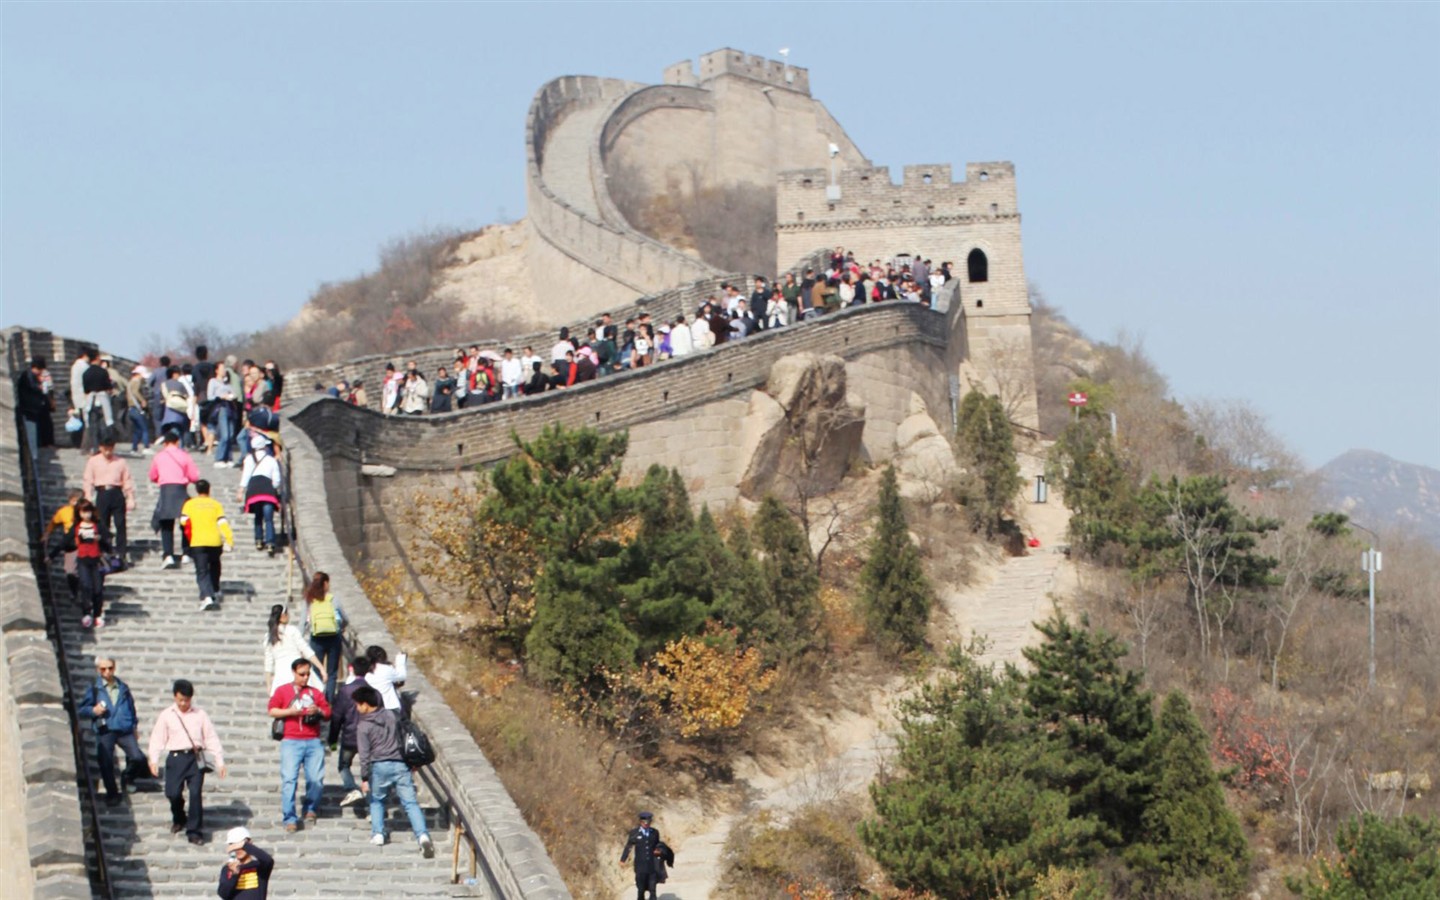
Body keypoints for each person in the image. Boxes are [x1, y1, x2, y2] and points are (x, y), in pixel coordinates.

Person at [352, 685, 434, 855]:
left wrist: (365, 778)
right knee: (410, 803)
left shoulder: (363, 726)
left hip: (379, 766)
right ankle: (423, 836)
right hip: (400, 764)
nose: (357, 708)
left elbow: (364, 755)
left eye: (358, 704)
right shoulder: (392, 715)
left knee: (377, 800)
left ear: (366, 704)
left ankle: (378, 834)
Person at [148, 678, 226, 845]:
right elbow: (157, 738)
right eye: (180, 700)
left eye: (187, 700)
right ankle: (179, 816)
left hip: (195, 758)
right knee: (173, 793)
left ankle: (194, 831)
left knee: (195, 793)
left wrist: (219, 760)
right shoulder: (167, 715)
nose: (183, 703)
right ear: (175, 697)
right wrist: (153, 759)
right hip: (176, 758)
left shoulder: (200, 715)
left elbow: (210, 737)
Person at [267, 659, 331, 833]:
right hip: (291, 740)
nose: (305, 678)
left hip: (312, 740)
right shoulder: (283, 691)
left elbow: (327, 712)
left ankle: (311, 807)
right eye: (302, 674)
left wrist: (317, 710)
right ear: (293, 672)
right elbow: (272, 710)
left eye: (308, 674)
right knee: (289, 780)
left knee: (316, 778)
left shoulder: (315, 692)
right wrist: (291, 712)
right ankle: (289, 817)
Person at [78, 656, 150, 805]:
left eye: (110, 668)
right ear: (98, 670)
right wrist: (93, 710)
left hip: (124, 729)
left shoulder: (123, 687)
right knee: (106, 762)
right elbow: (82, 709)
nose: (107, 672)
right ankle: (112, 793)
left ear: (114, 668)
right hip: (106, 729)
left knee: (138, 757)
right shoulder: (94, 688)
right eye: (103, 669)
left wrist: (134, 726)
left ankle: (127, 777)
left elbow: (131, 707)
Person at [149, 428, 200, 568]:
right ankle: (186, 553)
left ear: (165, 443)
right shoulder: (184, 455)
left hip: (166, 490)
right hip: (181, 490)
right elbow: (194, 476)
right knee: (185, 523)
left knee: (166, 524)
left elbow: (152, 475)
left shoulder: (159, 456)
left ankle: (168, 554)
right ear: (177, 442)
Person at [83, 436, 136, 568]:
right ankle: (104, 550)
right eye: (105, 449)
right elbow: (88, 479)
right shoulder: (93, 461)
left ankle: (121, 552)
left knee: (120, 523)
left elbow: (127, 480)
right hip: (102, 493)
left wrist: (130, 497)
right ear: (100, 448)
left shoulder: (120, 462)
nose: (108, 452)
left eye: (110, 448)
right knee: (102, 524)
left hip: (117, 493)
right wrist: (88, 496)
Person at [180, 480, 234, 611]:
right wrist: (229, 540)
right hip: (215, 541)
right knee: (215, 565)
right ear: (209, 490)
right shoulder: (215, 504)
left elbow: (183, 521)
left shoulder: (190, 504)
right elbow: (222, 523)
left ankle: (207, 596)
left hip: (198, 541)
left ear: (197, 490)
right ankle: (215, 589)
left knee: (202, 571)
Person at [329, 655, 371, 808]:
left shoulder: (345, 691)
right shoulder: (373, 692)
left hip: (350, 736)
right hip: (369, 738)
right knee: (369, 772)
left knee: (344, 765)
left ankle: (352, 788)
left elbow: (337, 716)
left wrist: (332, 739)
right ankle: (371, 806)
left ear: (351, 668)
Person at [263, 604, 326, 696]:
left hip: (281, 673)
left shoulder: (269, 636)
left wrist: (269, 684)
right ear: (282, 616)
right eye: (287, 614)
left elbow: (268, 663)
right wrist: (321, 668)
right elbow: (306, 650)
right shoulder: (292, 631)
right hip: (298, 667)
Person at [68, 498, 110, 628]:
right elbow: (65, 542)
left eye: (88, 512)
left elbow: (107, 540)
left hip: (96, 560)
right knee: (86, 586)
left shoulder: (98, 525)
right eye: (83, 512)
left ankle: (97, 614)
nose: (86, 515)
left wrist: (100, 539)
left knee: (98, 589)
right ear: (79, 513)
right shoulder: (76, 528)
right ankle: (86, 612)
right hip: (83, 560)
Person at [303, 572, 344, 704]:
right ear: (325, 583)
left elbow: (302, 622)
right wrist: (342, 628)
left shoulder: (310, 600)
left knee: (315, 671)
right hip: (334, 638)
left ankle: (317, 700)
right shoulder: (333, 599)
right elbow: (344, 618)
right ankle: (329, 702)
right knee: (332, 673)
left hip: (316, 639)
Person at [237, 445, 282, 555]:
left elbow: (246, 476)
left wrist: (241, 491)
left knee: (258, 517)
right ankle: (270, 542)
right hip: (268, 491)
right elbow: (276, 481)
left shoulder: (248, 459)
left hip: (254, 491)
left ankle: (258, 540)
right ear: (265, 447)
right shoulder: (271, 460)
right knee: (268, 519)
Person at [44, 489, 84, 601]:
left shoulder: (86, 511)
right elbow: (54, 523)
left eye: (78, 501)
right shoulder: (64, 512)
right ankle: (74, 591)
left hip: (84, 544)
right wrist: (47, 533)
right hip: (70, 544)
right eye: (74, 500)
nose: (76, 503)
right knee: (70, 571)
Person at [217, 826, 274, 900]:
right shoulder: (228, 869)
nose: (238, 850)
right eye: (234, 845)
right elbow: (223, 894)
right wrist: (234, 875)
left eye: (239, 845)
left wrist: (244, 845)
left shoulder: (258, 867)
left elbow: (268, 860)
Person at [620, 811, 663, 900]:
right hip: (640, 866)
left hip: (652, 865)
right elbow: (628, 847)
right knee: (640, 889)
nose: (646, 824)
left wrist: (659, 850)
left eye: (648, 822)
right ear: (640, 822)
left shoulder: (654, 832)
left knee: (653, 889)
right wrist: (623, 859)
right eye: (644, 822)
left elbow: (658, 845)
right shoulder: (634, 833)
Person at [363, 644, 408, 714]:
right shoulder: (385, 669)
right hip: (389, 708)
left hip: (372, 710)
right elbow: (402, 676)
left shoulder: (365, 671)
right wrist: (400, 660)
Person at [126, 365, 152, 454]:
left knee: (137, 430)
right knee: (144, 428)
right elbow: (135, 392)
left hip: (131, 409)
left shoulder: (130, 382)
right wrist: (143, 400)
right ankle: (146, 447)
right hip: (137, 408)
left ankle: (134, 448)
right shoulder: (137, 381)